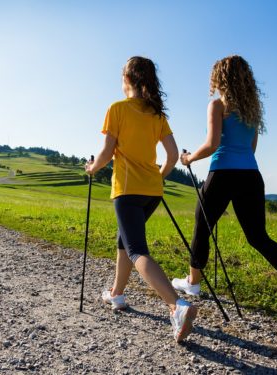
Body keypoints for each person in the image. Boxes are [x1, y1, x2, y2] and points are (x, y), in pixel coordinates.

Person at [173, 55, 277, 326]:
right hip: (251, 175)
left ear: (219, 78)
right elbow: (251, 148)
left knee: (201, 225)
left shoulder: (217, 106)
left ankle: (193, 283)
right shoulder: (252, 109)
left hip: (222, 173)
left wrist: (188, 159)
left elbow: (211, 144)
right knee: (258, 237)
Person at [85, 56, 197, 343]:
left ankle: (177, 306)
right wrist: (158, 176)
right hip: (152, 191)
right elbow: (172, 156)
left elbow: (107, 152)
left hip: (127, 190)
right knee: (123, 240)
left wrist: (92, 167)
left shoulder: (117, 109)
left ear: (128, 79)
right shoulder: (158, 114)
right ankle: (117, 294)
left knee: (136, 250)